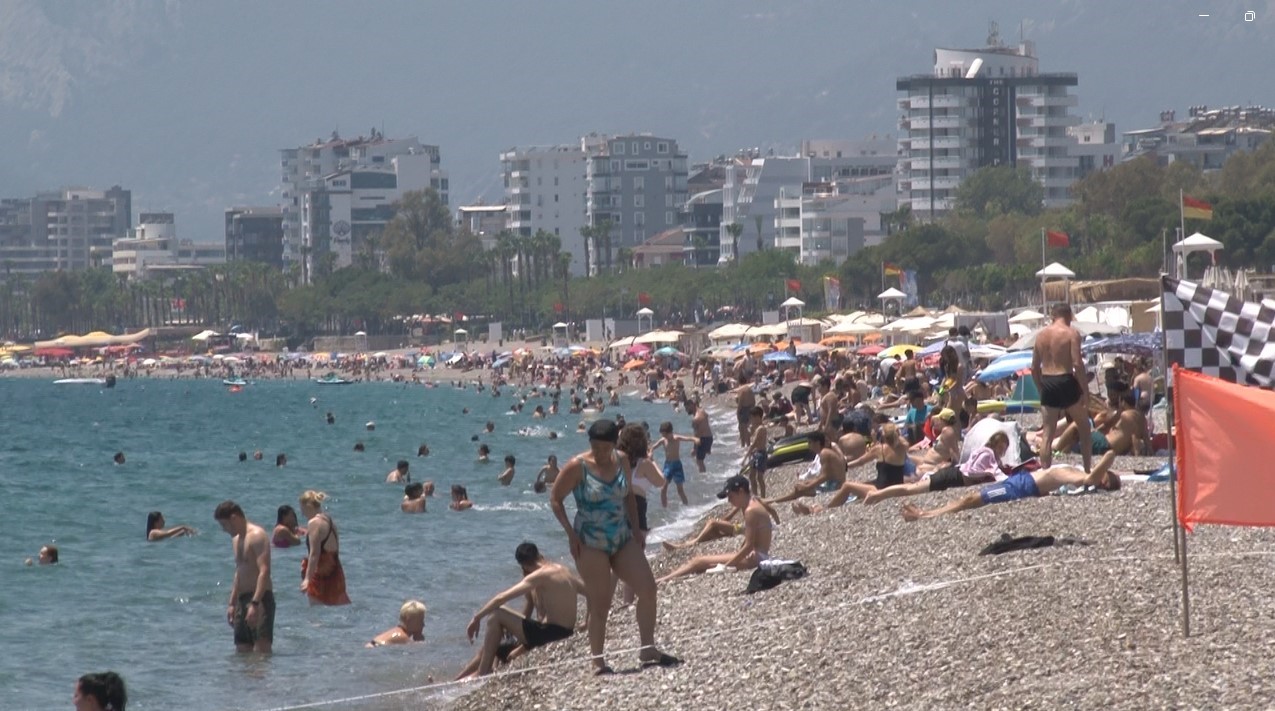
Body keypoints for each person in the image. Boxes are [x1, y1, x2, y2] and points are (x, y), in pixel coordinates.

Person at [549, 419, 679, 674]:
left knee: (648, 589)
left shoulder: (621, 460)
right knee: (600, 604)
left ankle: (647, 647)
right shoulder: (578, 466)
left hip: (621, 537)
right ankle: (598, 661)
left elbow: (629, 494)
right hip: (589, 543)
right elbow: (555, 499)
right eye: (594, 447)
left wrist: (635, 529)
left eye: (603, 447)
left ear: (613, 444)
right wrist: (570, 534)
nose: (599, 452)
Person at [456, 542, 588, 679]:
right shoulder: (562, 570)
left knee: (496, 614)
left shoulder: (539, 576)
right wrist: (586, 622)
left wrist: (476, 618)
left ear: (523, 565)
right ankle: (461, 678)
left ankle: (482, 673)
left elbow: (501, 598)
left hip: (552, 633)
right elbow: (590, 593)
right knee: (501, 617)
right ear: (538, 554)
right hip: (563, 631)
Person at [900, 465, 1122, 521]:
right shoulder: (1076, 470)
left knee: (971, 499)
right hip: (1022, 480)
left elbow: (1090, 479)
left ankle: (926, 514)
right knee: (969, 499)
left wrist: (1108, 459)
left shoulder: (1079, 477)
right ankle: (928, 513)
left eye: (1104, 479)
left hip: (1021, 488)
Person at [658, 476, 773, 583]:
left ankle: (662, 579)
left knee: (698, 561)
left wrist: (725, 566)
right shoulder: (751, 504)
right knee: (704, 565)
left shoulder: (750, 511)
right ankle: (674, 574)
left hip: (756, 558)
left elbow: (748, 546)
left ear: (741, 491)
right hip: (757, 556)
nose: (729, 501)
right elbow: (751, 540)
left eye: (731, 496)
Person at [865, 431, 1011, 505]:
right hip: (952, 477)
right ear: (994, 444)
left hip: (954, 476)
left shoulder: (990, 455)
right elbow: (975, 472)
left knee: (911, 488)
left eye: (1004, 448)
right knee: (911, 489)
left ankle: (880, 494)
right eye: (1000, 447)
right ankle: (878, 494)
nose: (1001, 450)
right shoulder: (988, 454)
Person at [1033, 302, 1093, 476]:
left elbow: (1034, 368)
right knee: (1084, 426)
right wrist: (1084, 391)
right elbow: (1077, 364)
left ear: (1052, 316)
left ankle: (1045, 474)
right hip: (1065, 379)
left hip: (1047, 381)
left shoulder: (1041, 336)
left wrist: (1040, 388)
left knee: (1048, 433)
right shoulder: (1071, 333)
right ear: (1069, 316)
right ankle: (1087, 470)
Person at [213, 500, 273, 653]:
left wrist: (255, 603)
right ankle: (243, 678)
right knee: (242, 651)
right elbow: (239, 571)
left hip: (260, 599)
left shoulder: (257, 536)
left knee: (261, 652)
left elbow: (264, 571)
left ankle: (265, 677)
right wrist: (232, 604)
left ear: (234, 518)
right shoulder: (236, 540)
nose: (224, 530)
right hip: (242, 599)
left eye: (225, 525)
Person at [617, 423, 666, 548]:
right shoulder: (644, 463)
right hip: (637, 507)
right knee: (637, 550)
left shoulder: (617, 460)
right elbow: (661, 482)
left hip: (617, 506)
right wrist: (652, 460)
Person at [299, 490, 350, 606]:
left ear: (307, 506)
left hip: (321, 573)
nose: (302, 514)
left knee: (316, 616)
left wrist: (307, 579)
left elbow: (314, 554)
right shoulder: (329, 521)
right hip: (335, 571)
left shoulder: (314, 523)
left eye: (302, 509)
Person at [769, 431, 847, 504]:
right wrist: (808, 483)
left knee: (801, 490)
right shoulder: (824, 452)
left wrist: (807, 486)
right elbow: (825, 475)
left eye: (810, 442)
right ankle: (775, 500)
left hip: (836, 486)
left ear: (817, 443)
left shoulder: (824, 453)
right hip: (833, 483)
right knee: (802, 485)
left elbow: (825, 476)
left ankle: (774, 501)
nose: (808, 445)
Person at [651, 421, 698, 508]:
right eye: (662, 435)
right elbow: (653, 447)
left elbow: (688, 439)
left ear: (670, 432)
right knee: (663, 488)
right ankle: (664, 508)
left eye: (665, 435)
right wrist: (650, 452)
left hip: (677, 465)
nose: (663, 436)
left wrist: (696, 440)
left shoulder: (676, 438)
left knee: (680, 490)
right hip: (668, 466)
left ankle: (687, 507)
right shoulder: (663, 440)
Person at [742, 406, 769, 498]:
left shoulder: (761, 429)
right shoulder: (756, 428)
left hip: (760, 454)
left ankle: (763, 497)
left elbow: (754, 443)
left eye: (752, 418)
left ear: (757, 417)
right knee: (751, 476)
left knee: (759, 478)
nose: (751, 420)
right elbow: (750, 440)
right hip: (755, 454)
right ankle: (755, 496)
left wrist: (745, 458)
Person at [686, 398, 714, 473]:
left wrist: (694, 448)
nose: (686, 410)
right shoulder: (702, 411)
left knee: (699, 461)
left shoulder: (695, 419)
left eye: (687, 408)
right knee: (702, 458)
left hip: (703, 439)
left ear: (691, 405)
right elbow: (706, 417)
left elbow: (696, 435)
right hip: (710, 437)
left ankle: (704, 477)